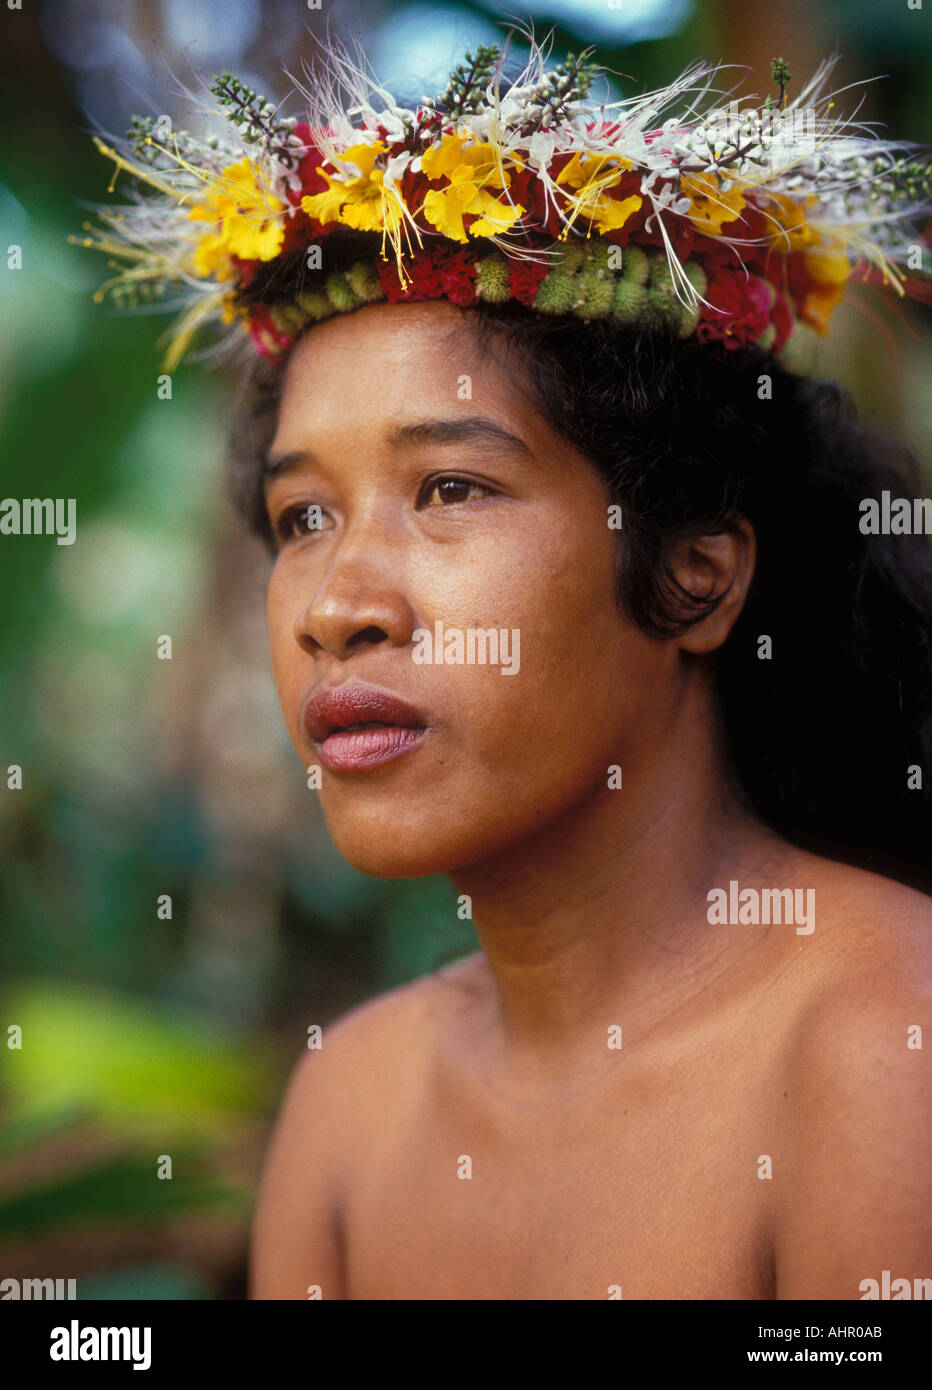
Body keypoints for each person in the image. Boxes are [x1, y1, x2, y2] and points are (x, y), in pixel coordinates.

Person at [76, 36, 932, 1299]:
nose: (337, 609)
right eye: (302, 516)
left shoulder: (879, 1050)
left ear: (695, 571)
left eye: (451, 487)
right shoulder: (352, 1104)